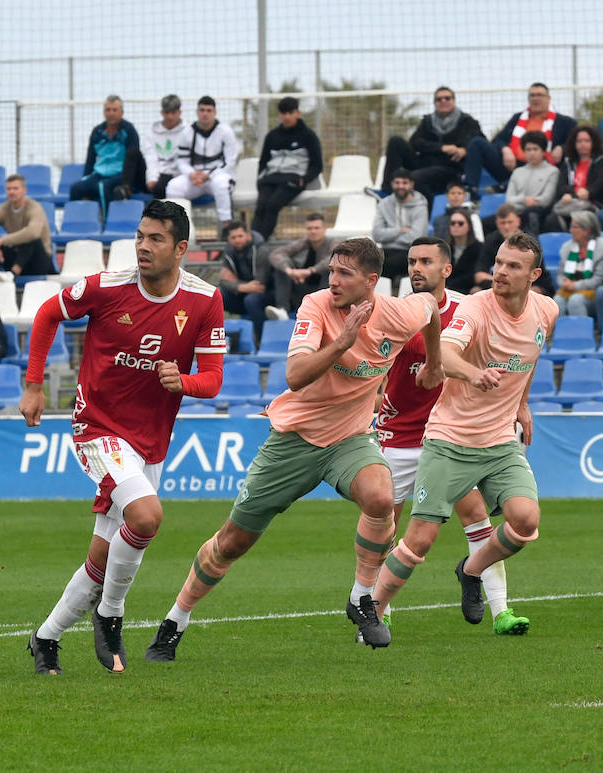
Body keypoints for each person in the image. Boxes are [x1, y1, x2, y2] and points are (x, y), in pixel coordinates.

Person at [142, 238, 442, 660]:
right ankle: (176, 619)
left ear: (372, 282)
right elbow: (295, 375)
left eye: (344, 274)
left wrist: (434, 362)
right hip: (293, 439)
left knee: (381, 497)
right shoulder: (316, 306)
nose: (333, 281)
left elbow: (429, 306)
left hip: (350, 438)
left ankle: (361, 598)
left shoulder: (397, 312)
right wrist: (342, 342)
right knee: (232, 542)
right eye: (331, 271)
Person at [22, 199, 225, 675]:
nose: (142, 246)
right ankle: (111, 614)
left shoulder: (205, 300)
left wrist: (185, 382)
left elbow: (213, 379)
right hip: (97, 427)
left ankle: (46, 638)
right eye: (139, 236)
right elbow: (47, 314)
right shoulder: (106, 286)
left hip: (150, 440)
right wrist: (33, 385)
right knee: (147, 515)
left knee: (103, 556)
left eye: (155, 239)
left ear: (181, 249)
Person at [368, 230, 558, 645]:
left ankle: (471, 573)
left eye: (513, 266)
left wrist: (522, 403)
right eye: (499, 263)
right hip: (449, 439)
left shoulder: (547, 311)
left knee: (525, 523)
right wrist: (474, 373)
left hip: (500, 442)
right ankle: (374, 612)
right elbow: (447, 354)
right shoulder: (473, 308)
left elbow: (530, 357)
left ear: (534, 275)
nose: (501, 272)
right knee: (416, 539)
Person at [464, 83, 579, 192]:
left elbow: (576, 144)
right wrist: (506, 150)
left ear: (548, 99)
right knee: (477, 143)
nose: (535, 98)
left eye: (539, 95)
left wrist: (561, 148)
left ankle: (508, 185)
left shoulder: (565, 122)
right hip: (511, 166)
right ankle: (470, 190)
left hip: (543, 169)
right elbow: (498, 140)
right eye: (532, 95)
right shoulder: (517, 118)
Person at [380, 87, 485, 203]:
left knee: (411, 178)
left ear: (453, 101)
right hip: (424, 163)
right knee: (396, 141)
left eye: (447, 98)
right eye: (439, 99)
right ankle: (386, 191)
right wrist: (441, 148)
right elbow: (415, 142)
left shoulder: (468, 122)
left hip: (449, 168)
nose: (443, 101)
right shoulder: (428, 122)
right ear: (435, 103)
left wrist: (464, 150)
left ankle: (427, 209)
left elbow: (479, 143)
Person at [251, 97, 323, 240]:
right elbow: (263, 161)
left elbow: (317, 165)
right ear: (279, 115)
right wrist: (261, 179)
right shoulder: (272, 136)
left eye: (290, 113)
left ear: (298, 113)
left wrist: (304, 179)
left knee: (272, 206)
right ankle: (251, 240)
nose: (287, 117)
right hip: (270, 179)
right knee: (260, 207)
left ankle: (258, 242)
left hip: (292, 179)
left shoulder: (308, 135)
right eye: (284, 113)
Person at [167, 96, 240, 229]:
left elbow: (230, 161)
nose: (205, 113)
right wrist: (192, 174)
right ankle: (180, 228)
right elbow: (182, 161)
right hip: (195, 178)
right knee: (173, 187)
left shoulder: (225, 132)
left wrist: (209, 175)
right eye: (202, 110)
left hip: (217, 176)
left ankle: (227, 226)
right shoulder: (187, 132)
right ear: (197, 112)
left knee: (222, 184)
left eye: (208, 110)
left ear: (215, 112)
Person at [0, 173, 56, 281]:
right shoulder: (4, 209)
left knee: (31, 238)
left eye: (15, 188)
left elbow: (33, 233)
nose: (11, 192)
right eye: (8, 189)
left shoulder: (34, 207)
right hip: (17, 258)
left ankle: (13, 275)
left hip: (38, 262)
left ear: (24, 190)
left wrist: (2, 241)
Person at [70, 95, 140, 212]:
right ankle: (74, 225)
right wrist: (85, 178)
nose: (111, 113)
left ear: (121, 112)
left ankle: (107, 226)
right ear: (104, 112)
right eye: (108, 110)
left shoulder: (129, 131)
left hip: (120, 175)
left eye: (114, 110)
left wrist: (128, 183)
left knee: (103, 186)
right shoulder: (97, 132)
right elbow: (90, 160)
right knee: (76, 188)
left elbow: (134, 159)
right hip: (99, 174)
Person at [266, 212, 336, 318]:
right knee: (282, 266)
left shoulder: (333, 243)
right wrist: (289, 271)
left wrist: (310, 271)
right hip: (299, 287)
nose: (313, 231)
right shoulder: (303, 243)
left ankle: (323, 309)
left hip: (322, 289)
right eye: (309, 228)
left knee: (330, 269)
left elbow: (332, 259)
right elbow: (276, 254)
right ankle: (283, 310)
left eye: (316, 228)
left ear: (325, 229)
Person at [478, 205, 555, 296]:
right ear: (497, 224)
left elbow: (539, 277)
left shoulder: (531, 243)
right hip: (497, 286)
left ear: (518, 221)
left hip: (532, 286)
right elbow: (479, 274)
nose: (506, 227)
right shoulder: (490, 240)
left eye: (510, 222)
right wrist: (500, 282)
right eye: (503, 223)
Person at [548, 125, 603, 233]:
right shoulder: (568, 163)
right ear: (574, 144)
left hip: (592, 204)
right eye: (579, 141)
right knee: (551, 220)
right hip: (570, 203)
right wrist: (572, 194)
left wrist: (588, 192)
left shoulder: (601, 162)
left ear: (593, 142)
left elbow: (601, 184)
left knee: (580, 219)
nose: (583, 144)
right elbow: (561, 186)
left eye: (587, 141)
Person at [371, 169, 429, 285]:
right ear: (392, 184)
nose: (401, 186)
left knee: (389, 263)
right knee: (369, 261)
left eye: (404, 183)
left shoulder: (420, 206)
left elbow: (415, 237)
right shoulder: (384, 204)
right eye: (397, 183)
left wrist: (388, 236)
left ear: (411, 185)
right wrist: (401, 230)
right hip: (386, 250)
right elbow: (377, 234)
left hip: (410, 250)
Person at [218, 221, 271, 345]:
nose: (237, 240)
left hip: (267, 295)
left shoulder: (261, 250)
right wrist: (243, 286)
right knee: (219, 296)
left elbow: (260, 287)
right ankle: (217, 340)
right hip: (245, 295)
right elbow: (223, 281)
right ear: (228, 239)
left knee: (251, 300)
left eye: (240, 236)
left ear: (248, 236)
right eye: (233, 237)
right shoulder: (228, 253)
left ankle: (262, 340)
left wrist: (236, 283)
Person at [553, 210, 603, 317]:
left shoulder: (602, 248)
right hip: (569, 289)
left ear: (586, 230)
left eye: (575, 227)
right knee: (557, 301)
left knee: (576, 301)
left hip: (593, 294)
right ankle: (561, 333)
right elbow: (560, 274)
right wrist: (564, 283)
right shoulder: (567, 248)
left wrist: (575, 286)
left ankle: (580, 333)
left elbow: (599, 280)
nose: (570, 230)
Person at [504, 131, 559, 234]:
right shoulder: (517, 172)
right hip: (516, 212)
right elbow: (509, 200)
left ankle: (532, 248)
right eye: (528, 150)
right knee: (487, 223)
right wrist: (524, 200)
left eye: (535, 149)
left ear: (543, 151)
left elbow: (546, 200)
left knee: (531, 214)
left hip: (539, 213)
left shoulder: (552, 171)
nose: (532, 153)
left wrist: (524, 202)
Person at [134, 94, 187, 199]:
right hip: (158, 173)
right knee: (133, 153)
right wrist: (152, 179)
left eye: (173, 113)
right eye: (167, 113)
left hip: (179, 174)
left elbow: (186, 160)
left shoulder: (187, 131)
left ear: (179, 113)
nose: (170, 117)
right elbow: (150, 157)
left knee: (166, 187)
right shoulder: (151, 132)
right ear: (162, 113)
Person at [445, 209, 482, 295]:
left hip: (468, 292)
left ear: (469, 226)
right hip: (446, 291)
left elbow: (474, 274)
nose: (456, 226)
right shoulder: (445, 248)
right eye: (453, 223)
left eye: (460, 223)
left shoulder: (478, 248)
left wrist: (450, 286)